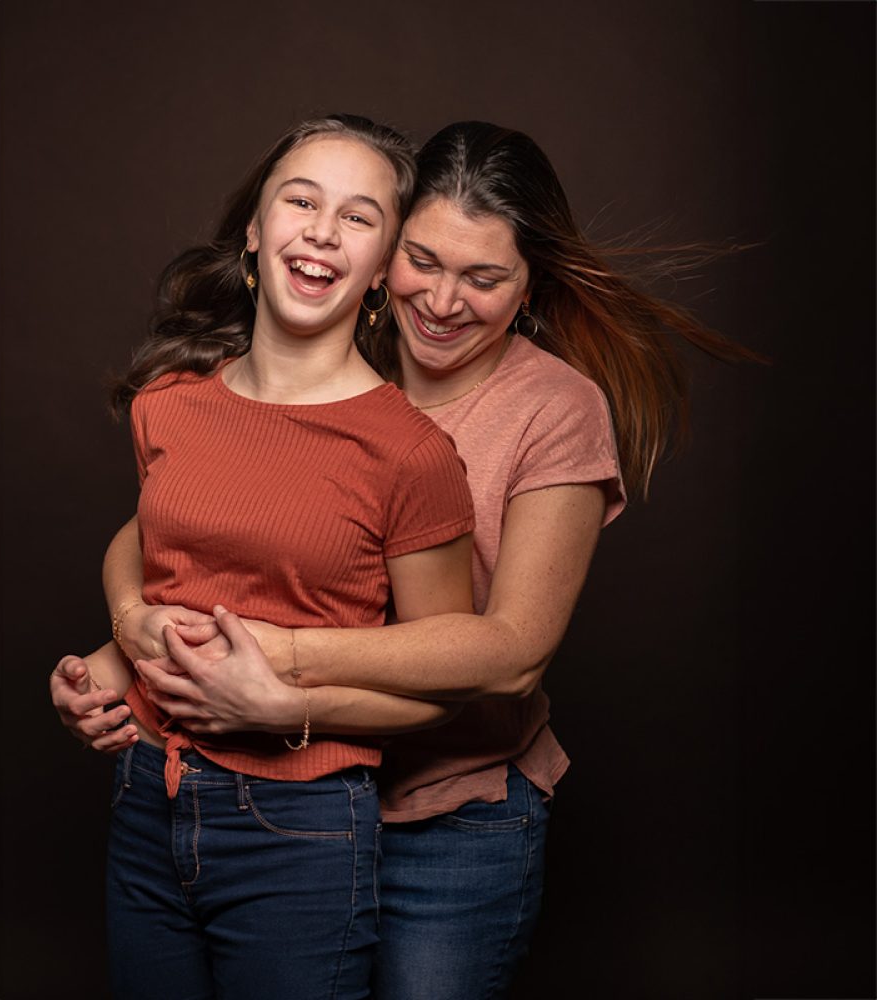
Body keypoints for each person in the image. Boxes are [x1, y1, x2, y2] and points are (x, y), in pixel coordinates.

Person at [54, 121, 758, 1000]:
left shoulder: (552, 411)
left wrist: (286, 675)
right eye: (424, 260)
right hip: (270, 798)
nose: (444, 301)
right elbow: (168, 519)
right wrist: (131, 638)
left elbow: (512, 656)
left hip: (447, 818)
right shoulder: (334, 335)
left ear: (530, 282)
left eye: (485, 278)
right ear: (387, 255)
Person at [60, 114, 480, 1000]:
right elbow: (155, 544)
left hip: (300, 831)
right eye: (301, 199)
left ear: (380, 273)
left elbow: (449, 677)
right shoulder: (169, 404)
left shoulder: (409, 454)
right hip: (146, 798)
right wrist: (116, 651)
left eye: (359, 217)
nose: (323, 230)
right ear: (255, 230)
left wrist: (289, 706)